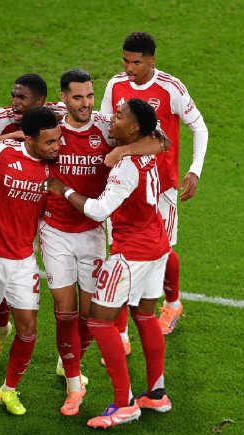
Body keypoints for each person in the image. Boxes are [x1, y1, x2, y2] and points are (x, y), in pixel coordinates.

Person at [44, 69, 168, 416]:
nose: (96, 108)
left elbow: (99, 210)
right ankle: (156, 393)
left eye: (119, 115)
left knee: (97, 320)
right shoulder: (55, 122)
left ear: (133, 129)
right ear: (64, 97)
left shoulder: (121, 154)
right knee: (144, 315)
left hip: (128, 248)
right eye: (78, 97)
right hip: (155, 244)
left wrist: (64, 190)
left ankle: (124, 403)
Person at [101, 32, 208, 335]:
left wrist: (195, 170)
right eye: (125, 60)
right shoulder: (115, 85)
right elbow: (107, 128)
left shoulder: (170, 88)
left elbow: (199, 127)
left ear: (151, 60)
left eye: (136, 62)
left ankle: (172, 303)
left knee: (162, 250)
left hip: (160, 186)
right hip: (123, 185)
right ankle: (121, 330)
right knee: (120, 249)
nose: (129, 68)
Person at [0, 106, 60, 415]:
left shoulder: (54, 167)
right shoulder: (1, 153)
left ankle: (8, 389)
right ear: (28, 139)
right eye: (49, 142)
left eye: (58, 140)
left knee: (29, 327)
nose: (56, 147)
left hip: (22, 259)